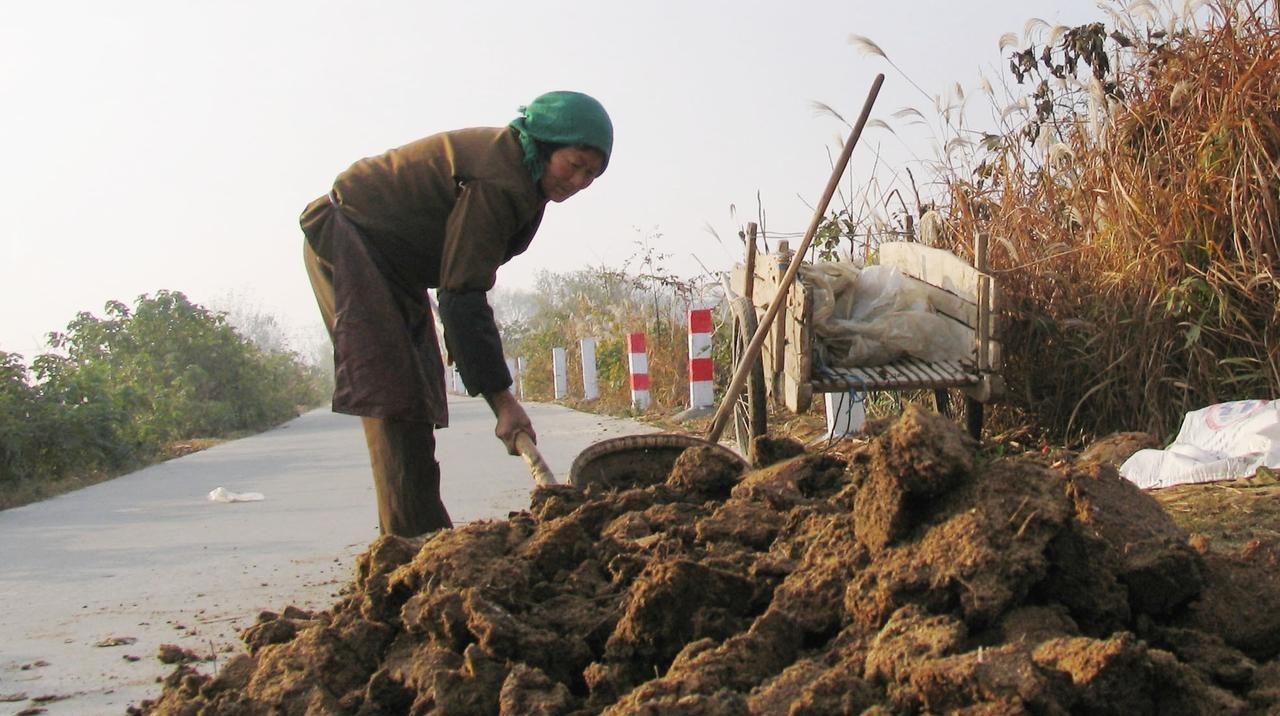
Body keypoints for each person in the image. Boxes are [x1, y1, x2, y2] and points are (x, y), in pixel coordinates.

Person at [300, 91, 613, 537]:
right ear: (545, 145)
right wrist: (503, 403)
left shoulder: (525, 178)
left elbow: (461, 284)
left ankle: (423, 534)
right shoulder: (500, 179)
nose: (579, 181)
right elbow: (462, 295)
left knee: (419, 390)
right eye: (575, 164)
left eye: (592, 174)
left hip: (396, 265)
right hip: (351, 240)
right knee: (395, 396)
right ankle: (413, 544)